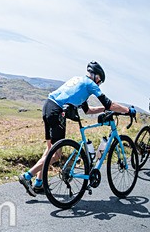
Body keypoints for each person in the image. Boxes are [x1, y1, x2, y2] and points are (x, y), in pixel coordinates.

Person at [18, 61, 136, 196]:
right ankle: (27, 176)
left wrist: (103, 109)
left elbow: (87, 110)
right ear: (95, 76)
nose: (98, 84)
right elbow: (109, 103)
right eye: (99, 81)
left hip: (48, 105)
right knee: (56, 154)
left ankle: (39, 183)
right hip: (57, 110)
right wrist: (127, 110)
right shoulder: (90, 84)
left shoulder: (79, 81)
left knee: (50, 149)